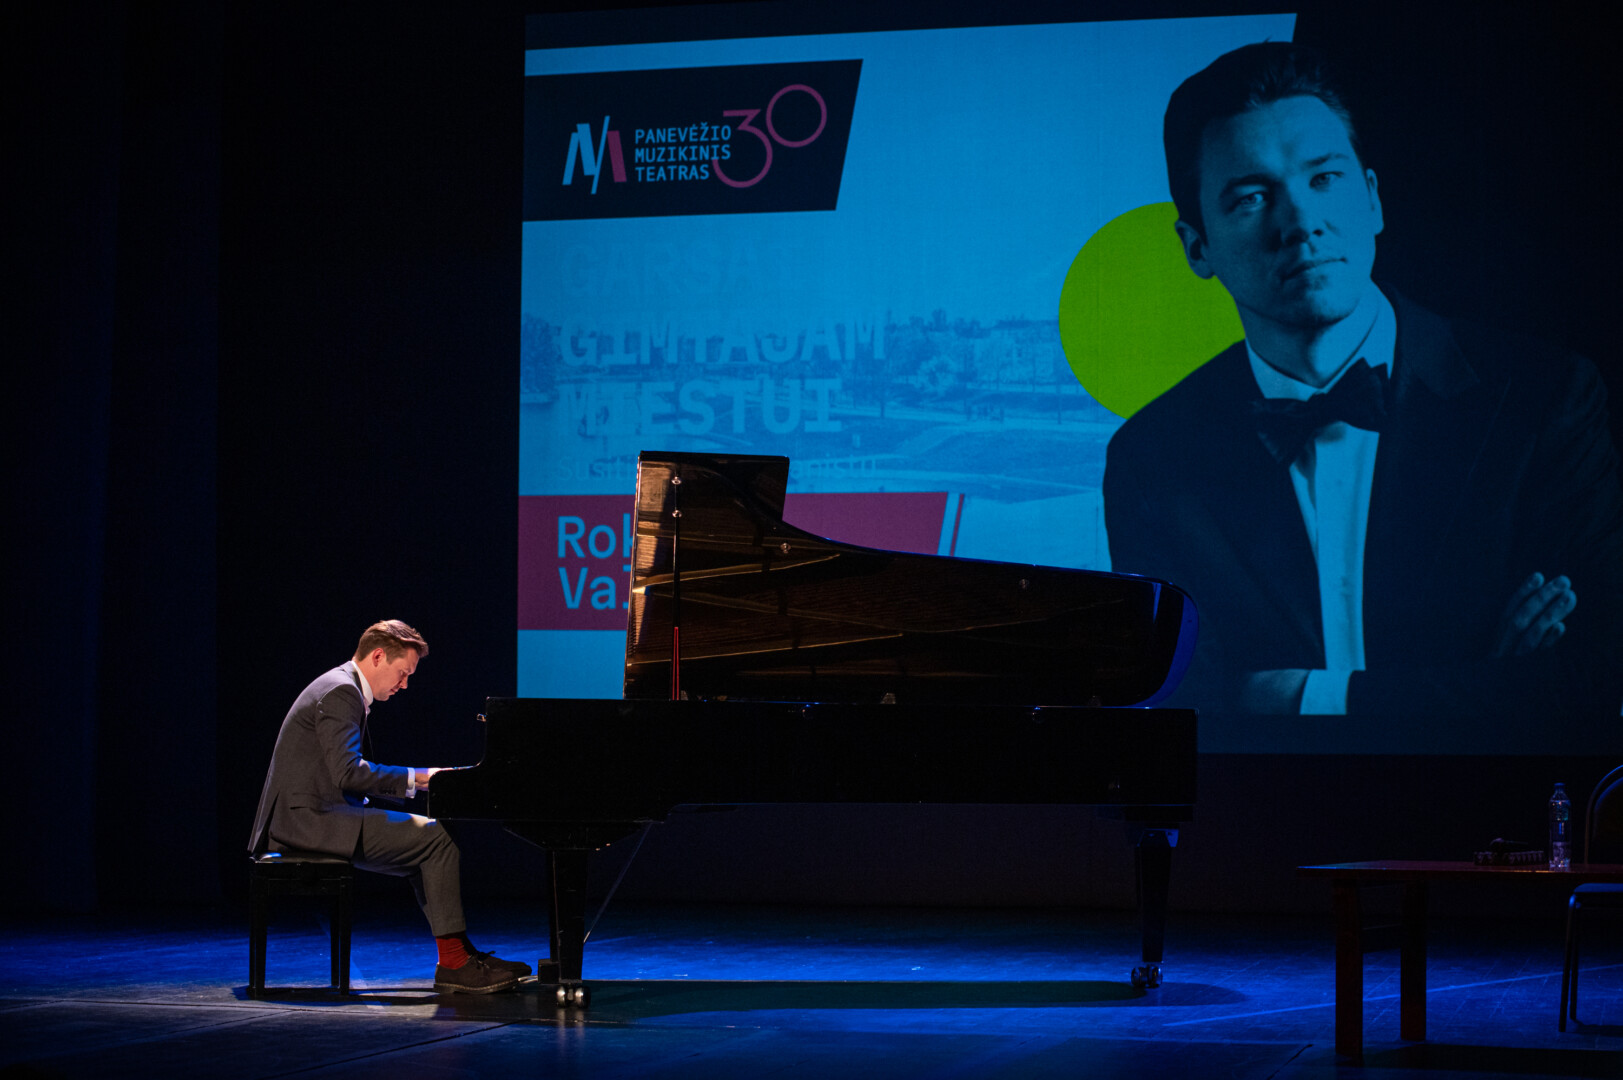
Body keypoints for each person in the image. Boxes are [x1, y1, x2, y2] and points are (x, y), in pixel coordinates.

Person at [1104, 42, 1623, 718]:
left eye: (1323, 179)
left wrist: (1290, 695)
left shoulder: (1543, 399)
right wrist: (1482, 684)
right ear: (1196, 247)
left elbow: (1594, 680)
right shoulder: (1150, 457)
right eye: (1252, 198)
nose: (1300, 223)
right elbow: (1184, 716)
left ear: (1372, 199)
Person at [248, 619, 531, 993]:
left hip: (315, 814)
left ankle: (459, 954)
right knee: (436, 839)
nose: (405, 684)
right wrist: (420, 777)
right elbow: (348, 772)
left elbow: (338, 775)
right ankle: (455, 962)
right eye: (403, 673)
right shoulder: (342, 691)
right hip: (307, 821)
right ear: (378, 656)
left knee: (428, 846)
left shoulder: (340, 686)